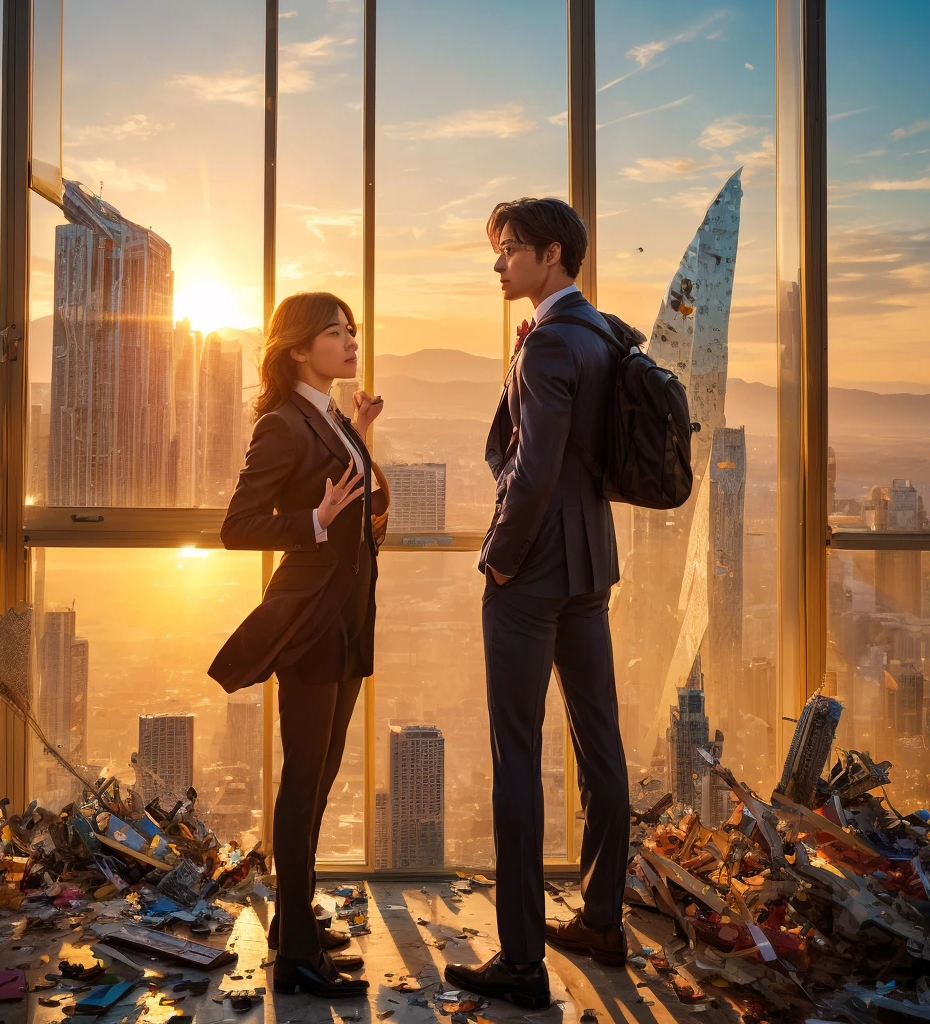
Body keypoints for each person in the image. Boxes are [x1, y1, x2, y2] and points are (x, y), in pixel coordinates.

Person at [445, 198, 630, 1008]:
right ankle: (601, 918)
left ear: (550, 255)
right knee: (600, 746)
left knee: (517, 754)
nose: (498, 264)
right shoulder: (604, 332)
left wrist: (502, 559)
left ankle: (520, 962)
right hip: (590, 564)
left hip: (536, 570)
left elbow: (535, 467)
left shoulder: (552, 340)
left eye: (509, 249)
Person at [207, 291, 388, 998]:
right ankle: (297, 959)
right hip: (311, 616)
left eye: (352, 331)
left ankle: (295, 928)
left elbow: (359, 509)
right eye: (336, 333)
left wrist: (362, 442)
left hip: (349, 614)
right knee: (303, 780)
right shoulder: (283, 425)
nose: (350, 342)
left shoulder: (333, 417)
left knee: (323, 776)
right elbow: (238, 525)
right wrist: (310, 521)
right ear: (297, 349)